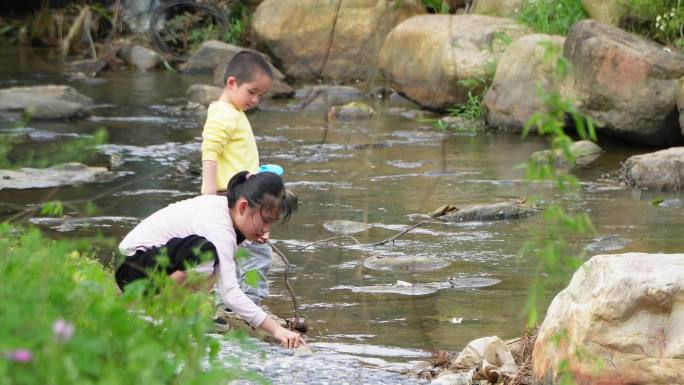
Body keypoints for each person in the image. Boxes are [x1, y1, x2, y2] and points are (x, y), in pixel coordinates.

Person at [115, 171, 305, 349]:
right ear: (243, 206)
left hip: (141, 264)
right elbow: (230, 293)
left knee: (212, 259)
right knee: (205, 256)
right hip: (132, 268)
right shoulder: (220, 228)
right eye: (265, 220)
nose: (266, 229)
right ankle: (156, 312)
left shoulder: (224, 211)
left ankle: (176, 310)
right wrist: (277, 330)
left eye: (272, 222)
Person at [200, 50, 274, 306]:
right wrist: (210, 190)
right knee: (258, 253)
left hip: (237, 197)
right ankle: (248, 304)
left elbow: (232, 157)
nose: (255, 99)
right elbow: (210, 150)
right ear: (232, 83)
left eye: (261, 95)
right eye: (251, 92)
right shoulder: (224, 114)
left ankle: (227, 303)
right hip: (228, 197)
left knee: (229, 254)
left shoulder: (233, 111)